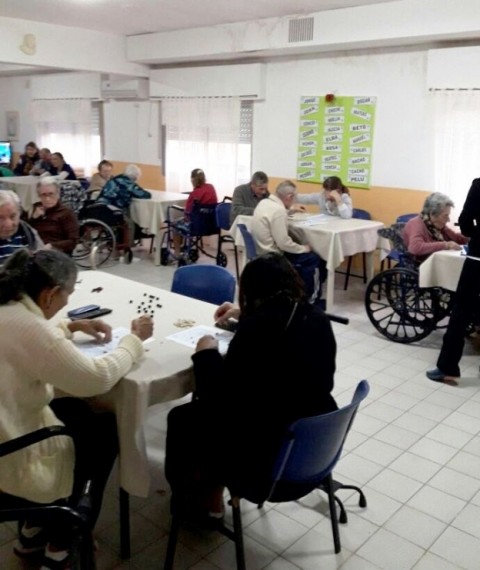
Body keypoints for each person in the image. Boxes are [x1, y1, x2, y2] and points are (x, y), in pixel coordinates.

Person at [0, 248, 153, 569]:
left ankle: (34, 529)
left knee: (74, 412)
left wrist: (70, 327)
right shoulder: (28, 327)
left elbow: (33, 339)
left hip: (7, 432)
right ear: (50, 294)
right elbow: (96, 379)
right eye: (67, 296)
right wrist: (134, 341)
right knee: (104, 431)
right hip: (10, 455)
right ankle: (64, 537)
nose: (66, 304)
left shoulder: (9, 308)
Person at [165, 252, 337, 517]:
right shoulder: (316, 318)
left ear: (253, 291)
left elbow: (217, 397)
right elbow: (287, 350)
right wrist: (245, 314)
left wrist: (206, 352)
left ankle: (195, 500)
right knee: (225, 416)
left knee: (183, 418)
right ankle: (212, 495)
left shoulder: (257, 330)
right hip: (311, 449)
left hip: (263, 460)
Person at [427, 181, 480, 384]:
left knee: (460, 311)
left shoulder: (478, 185)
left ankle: (447, 367)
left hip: (478, 258)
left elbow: (465, 222)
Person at [251, 179, 326, 304]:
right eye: (294, 198)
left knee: (304, 254)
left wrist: (290, 211)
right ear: (288, 197)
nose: (294, 201)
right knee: (314, 258)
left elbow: (274, 216)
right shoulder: (278, 211)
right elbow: (284, 243)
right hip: (274, 255)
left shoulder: (264, 202)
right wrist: (303, 248)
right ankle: (311, 300)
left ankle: (298, 291)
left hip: (261, 251)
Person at [96, 163, 151, 247]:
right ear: (135, 177)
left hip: (98, 209)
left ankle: (117, 243)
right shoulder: (128, 183)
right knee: (130, 224)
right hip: (111, 212)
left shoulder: (115, 179)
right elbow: (145, 195)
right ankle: (127, 249)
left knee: (127, 214)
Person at [403, 192, 468, 263]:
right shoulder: (416, 223)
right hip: (423, 265)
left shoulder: (437, 226)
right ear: (432, 214)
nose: (448, 219)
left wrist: (470, 238)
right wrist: (446, 245)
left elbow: (456, 238)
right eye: (445, 216)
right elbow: (415, 247)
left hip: (438, 261)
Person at [23, 178, 79, 255]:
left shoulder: (66, 213)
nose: (47, 198)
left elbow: (73, 241)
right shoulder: (34, 208)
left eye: (51, 194)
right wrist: (34, 219)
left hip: (57, 255)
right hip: (34, 252)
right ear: (39, 195)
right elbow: (24, 231)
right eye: (43, 195)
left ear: (57, 194)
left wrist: (52, 246)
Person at [172, 168, 218, 255]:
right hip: (212, 225)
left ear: (192, 179)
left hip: (196, 227)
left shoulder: (194, 194)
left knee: (175, 225)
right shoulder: (211, 187)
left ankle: (177, 252)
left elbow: (188, 212)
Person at [0, 190, 43, 265]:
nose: (8, 224)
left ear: (19, 213)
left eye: (13, 216)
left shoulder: (29, 234)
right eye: (0, 218)